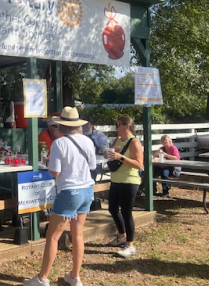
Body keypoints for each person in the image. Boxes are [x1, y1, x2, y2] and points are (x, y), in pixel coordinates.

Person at [24, 106, 96, 286]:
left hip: (69, 191)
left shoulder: (59, 143)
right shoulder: (87, 141)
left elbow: (55, 173)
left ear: (61, 125)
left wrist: (50, 162)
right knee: (77, 235)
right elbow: (92, 166)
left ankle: (42, 278)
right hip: (87, 189)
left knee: (53, 236)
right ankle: (75, 276)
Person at [104, 116, 143, 258]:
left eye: (118, 125)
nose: (116, 128)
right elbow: (111, 156)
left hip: (129, 181)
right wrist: (108, 153)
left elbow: (139, 164)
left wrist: (120, 157)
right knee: (112, 209)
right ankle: (121, 236)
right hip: (116, 180)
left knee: (126, 212)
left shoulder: (134, 142)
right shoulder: (117, 139)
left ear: (127, 126)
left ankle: (130, 245)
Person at [82, 116, 109, 181]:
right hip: (82, 160)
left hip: (96, 161)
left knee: (91, 175)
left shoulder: (98, 134)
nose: (85, 125)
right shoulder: (79, 135)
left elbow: (105, 145)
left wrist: (104, 149)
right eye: (83, 124)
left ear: (92, 125)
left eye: (87, 123)